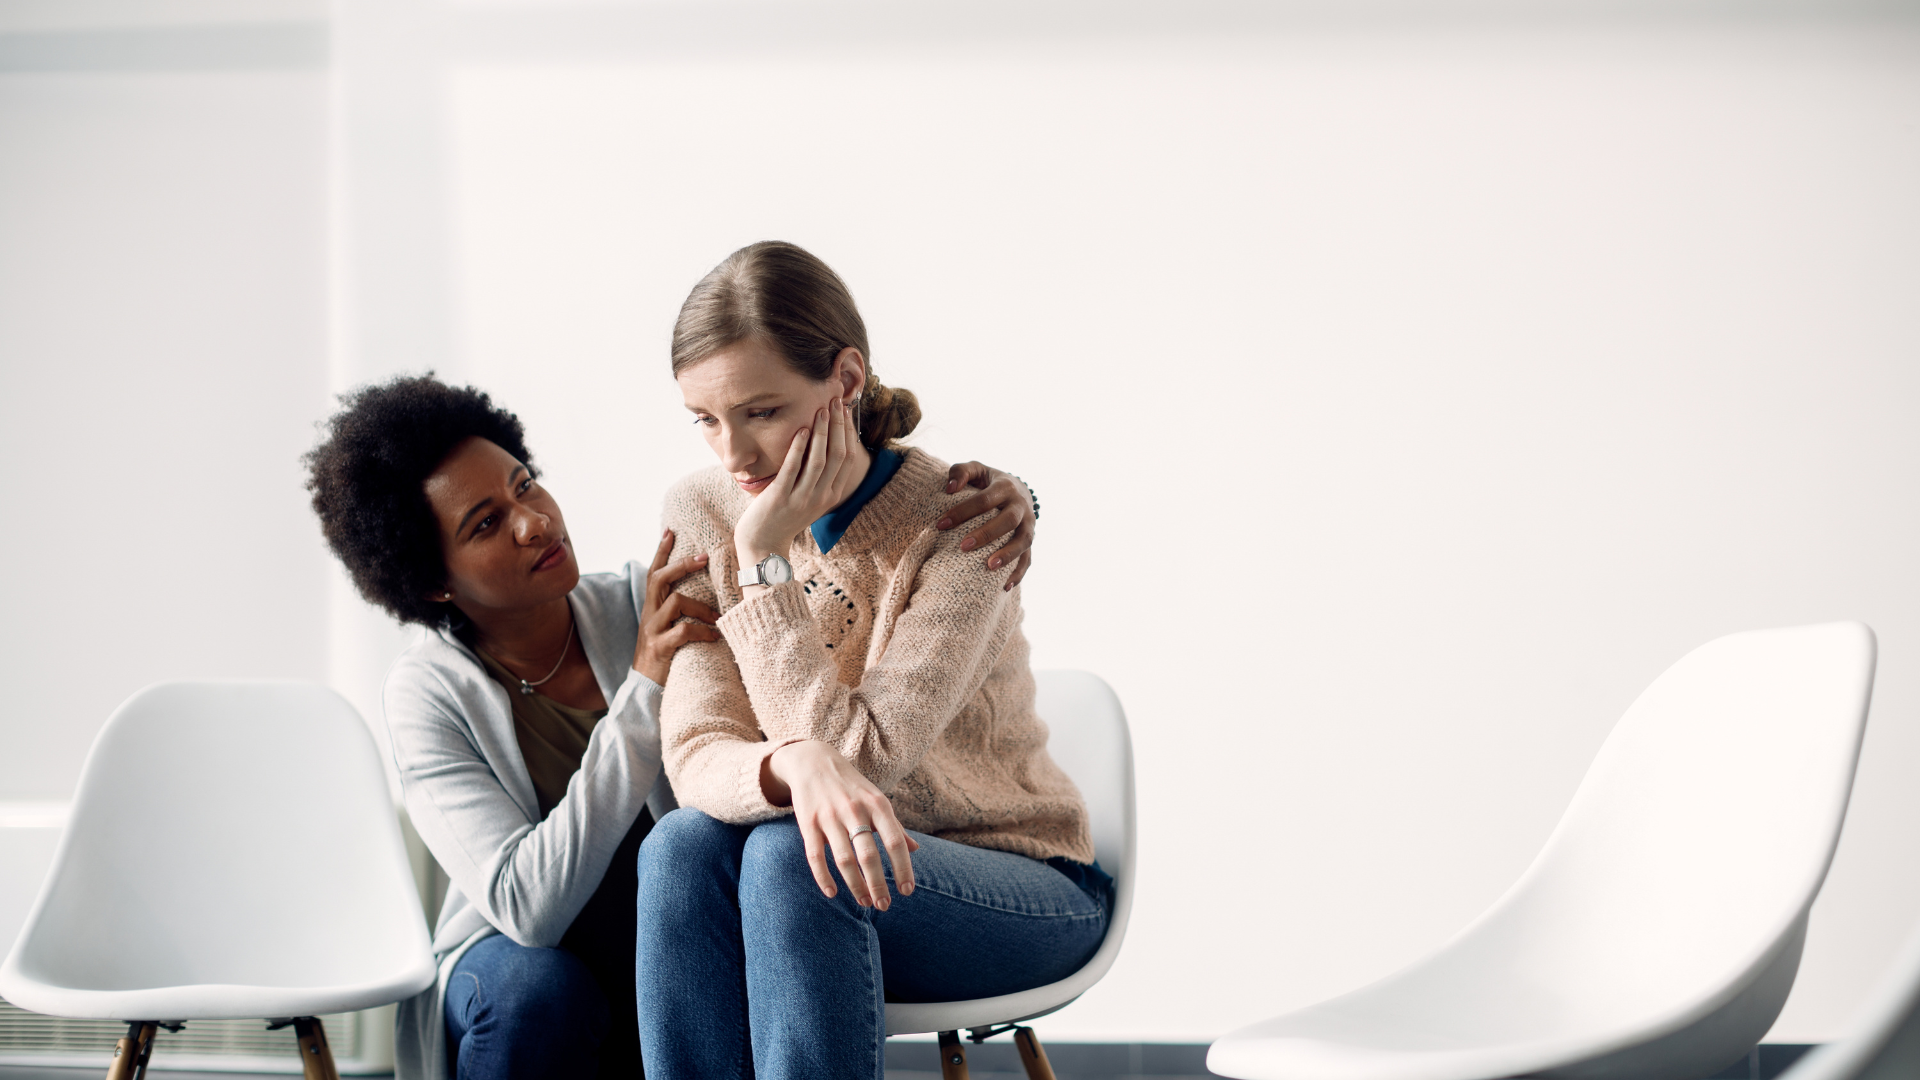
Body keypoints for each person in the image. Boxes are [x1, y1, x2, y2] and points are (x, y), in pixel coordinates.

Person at [302, 375, 1041, 1080]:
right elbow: (528, 907)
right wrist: (643, 686)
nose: (534, 522)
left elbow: (818, 587)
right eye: (487, 524)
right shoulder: (426, 693)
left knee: (698, 858)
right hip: (521, 957)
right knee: (535, 989)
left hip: (672, 926)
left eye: (523, 483)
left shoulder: (648, 597)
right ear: (433, 581)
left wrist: (1003, 498)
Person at [637, 241, 1111, 1080]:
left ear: (846, 381)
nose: (733, 456)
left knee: (794, 858)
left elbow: (865, 763)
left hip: (1016, 884)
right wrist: (793, 762)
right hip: (840, 877)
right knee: (679, 847)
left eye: (762, 411)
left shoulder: (967, 523)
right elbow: (695, 751)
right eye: (706, 420)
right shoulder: (700, 506)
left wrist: (765, 558)